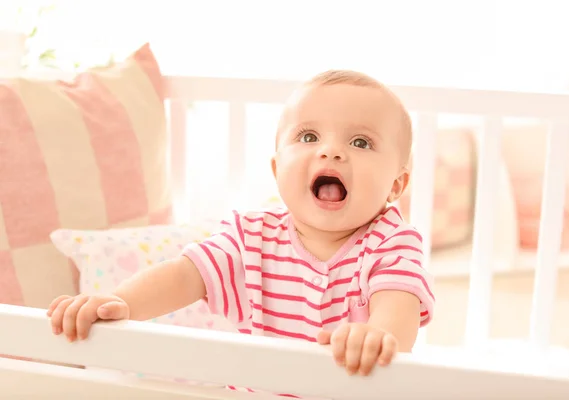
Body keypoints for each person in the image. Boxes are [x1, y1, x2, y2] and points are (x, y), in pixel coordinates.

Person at [47, 69, 435, 380]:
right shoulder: (250, 238)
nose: (330, 150)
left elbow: (398, 309)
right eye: (309, 136)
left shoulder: (392, 243)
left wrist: (378, 336)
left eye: (361, 143)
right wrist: (122, 302)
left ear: (396, 185)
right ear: (277, 169)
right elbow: (183, 276)